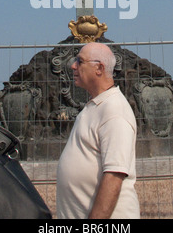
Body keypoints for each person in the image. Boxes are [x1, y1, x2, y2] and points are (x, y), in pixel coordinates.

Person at [56, 42, 140, 219]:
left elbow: (114, 175)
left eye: (79, 61)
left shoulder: (114, 111)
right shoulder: (95, 105)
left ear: (99, 68)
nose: (72, 66)